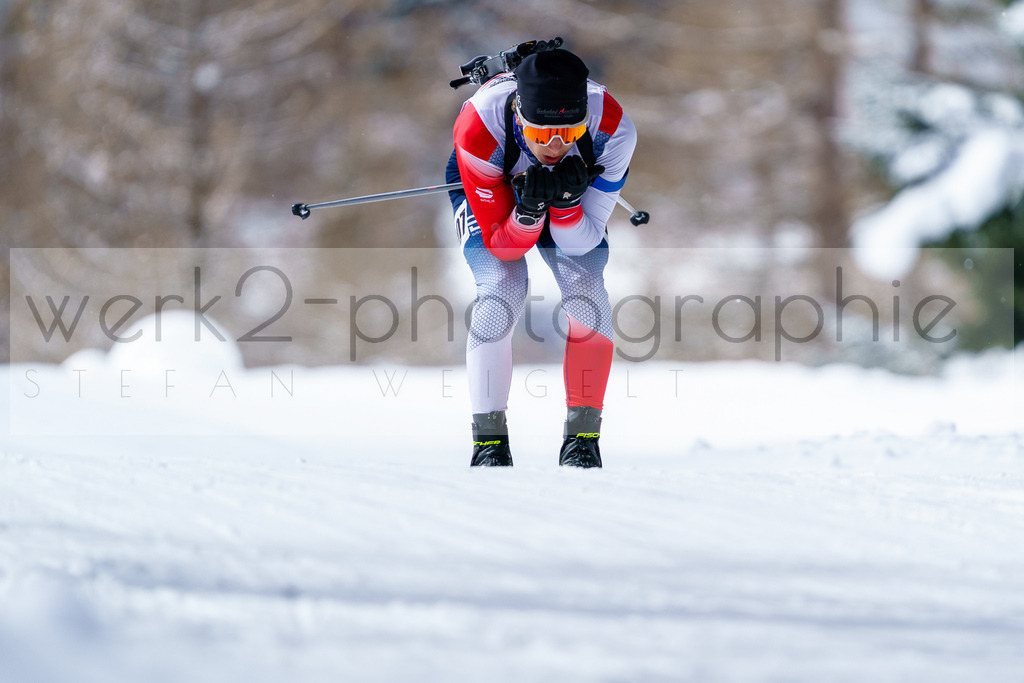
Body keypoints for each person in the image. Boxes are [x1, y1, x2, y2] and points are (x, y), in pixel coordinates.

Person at [446, 47, 637, 468]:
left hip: (576, 189)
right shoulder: (480, 128)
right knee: (503, 285)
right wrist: (529, 213)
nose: (554, 146)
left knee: (587, 290)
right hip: (495, 175)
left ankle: (582, 440)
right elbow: (505, 246)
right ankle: (490, 443)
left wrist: (566, 206)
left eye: (569, 133)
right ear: (519, 117)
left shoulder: (612, 131)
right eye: (541, 132)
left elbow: (580, 245)